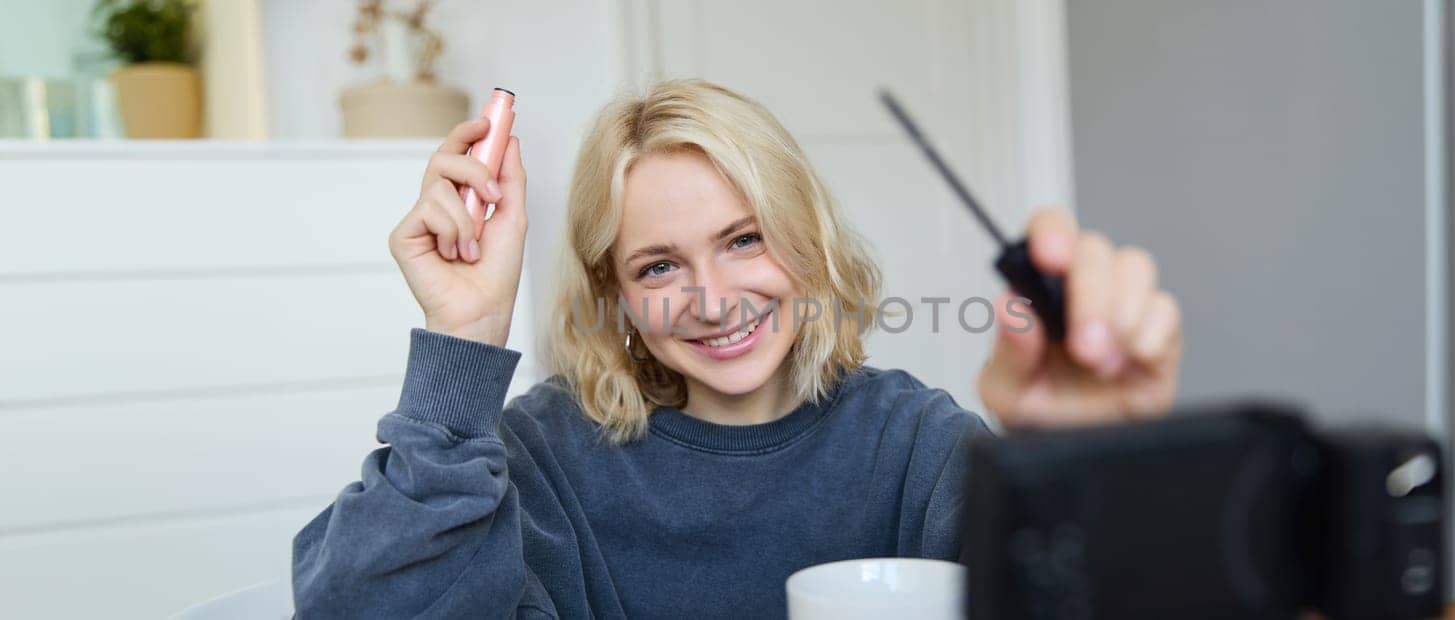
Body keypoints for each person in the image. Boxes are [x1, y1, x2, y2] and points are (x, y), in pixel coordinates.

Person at [291, 79, 1183, 618]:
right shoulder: (535, 459)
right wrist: (463, 340)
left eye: (746, 240)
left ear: (807, 235)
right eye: (658, 264)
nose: (713, 299)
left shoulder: (916, 446)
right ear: (617, 295)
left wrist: (1088, 469)